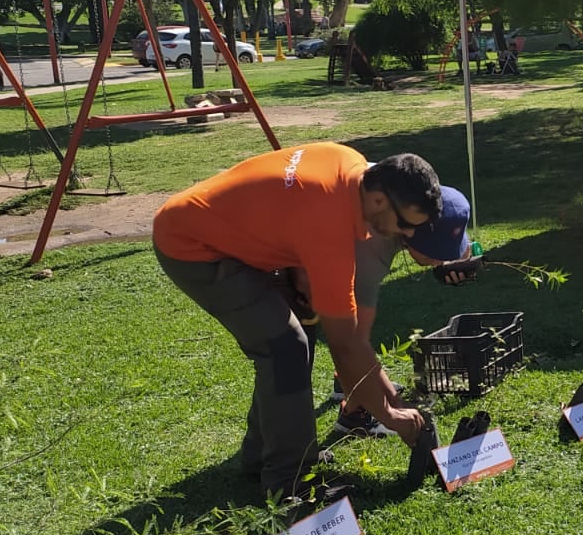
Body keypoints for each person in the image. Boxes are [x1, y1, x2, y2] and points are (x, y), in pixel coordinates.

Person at [152, 145, 441, 500]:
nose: (408, 236)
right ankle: (289, 483)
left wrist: (390, 398)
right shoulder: (329, 221)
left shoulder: (350, 166)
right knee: (286, 345)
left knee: (295, 334)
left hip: (219, 233)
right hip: (191, 245)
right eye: (406, 225)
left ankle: (262, 457)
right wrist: (389, 415)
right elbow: (346, 344)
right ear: (380, 201)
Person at [324, 184, 474, 437]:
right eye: (438, 252)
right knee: (307, 347)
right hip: (275, 257)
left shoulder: (422, 197)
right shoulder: (370, 247)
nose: (443, 259)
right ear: (408, 231)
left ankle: (347, 383)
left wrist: (455, 260)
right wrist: (393, 410)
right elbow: (349, 341)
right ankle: (354, 413)